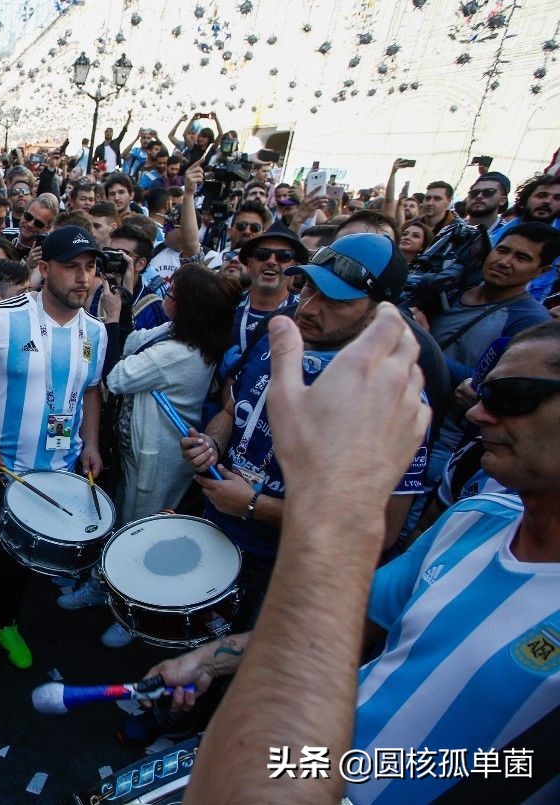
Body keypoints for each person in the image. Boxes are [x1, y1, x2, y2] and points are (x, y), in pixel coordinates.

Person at [152, 320, 558, 805]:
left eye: (511, 396)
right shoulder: (473, 519)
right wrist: (210, 659)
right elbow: (339, 627)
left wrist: (322, 502)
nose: (477, 413)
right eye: (484, 393)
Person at [183, 234, 427, 630]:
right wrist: (212, 442)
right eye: (310, 287)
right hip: (215, 523)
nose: (310, 308)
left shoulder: (391, 397)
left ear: (380, 313)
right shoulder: (281, 334)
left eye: (337, 301)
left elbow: (378, 531)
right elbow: (231, 409)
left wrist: (253, 506)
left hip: (280, 566)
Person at [0, 226, 106, 700]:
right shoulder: (1, 318)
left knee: (29, 563)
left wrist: (91, 442)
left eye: (90, 268)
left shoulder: (94, 331)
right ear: (46, 269)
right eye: (72, 267)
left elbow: (91, 389)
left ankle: (5, 622)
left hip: (57, 477)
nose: (83, 278)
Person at [65, 264, 241, 646]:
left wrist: (111, 320)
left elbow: (117, 375)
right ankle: (101, 586)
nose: (166, 296)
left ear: (190, 306)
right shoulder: (174, 332)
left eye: (174, 294)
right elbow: (132, 344)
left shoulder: (184, 353)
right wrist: (122, 313)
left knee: (138, 532)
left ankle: (132, 614)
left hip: (157, 461)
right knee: (121, 522)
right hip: (134, 453)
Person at [421, 222, 557, 482]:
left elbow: (483, 385)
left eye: (522, 258)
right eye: (503, 250)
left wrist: (423, 342)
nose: (504, 261)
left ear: (542, 270)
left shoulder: (528, 320)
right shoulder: (452, 286)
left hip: (439, 442)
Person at [228, 223, 307, 354]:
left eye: (284, 256)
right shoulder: (227, 306)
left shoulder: (303, 314)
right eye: (262, 254)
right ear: (248, 264)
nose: (271, 261)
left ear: (295, 268)